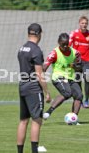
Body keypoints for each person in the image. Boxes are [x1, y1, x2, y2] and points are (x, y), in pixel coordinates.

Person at [17, 23, 51, 153]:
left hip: (22, 86)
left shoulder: (21, 49)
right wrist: (47, 92)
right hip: (33, 88)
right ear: (39, 34)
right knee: (37, 120)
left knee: (23, 121)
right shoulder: (36, 50)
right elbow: (39, 74)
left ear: (29, 33)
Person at [42, 33, 83, 124]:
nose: (65, 46)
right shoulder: (54, 53)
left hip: (70, 78)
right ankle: (49, 112)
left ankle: (73, 119)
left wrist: (75, 66)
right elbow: (44, 66)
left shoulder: (75, 53)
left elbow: (80, 67)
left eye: (66, 44)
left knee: (79, 95)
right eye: (62, 44)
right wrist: (41, 68)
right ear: (58, 43)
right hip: (58, 77)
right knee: (67, 93)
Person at [69, 15, 89, 108]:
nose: (84, 25)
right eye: (82, 23)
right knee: (77, 81)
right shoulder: (73, 33)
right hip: (77, 61)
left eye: (86, 23)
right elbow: (69, 47)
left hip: (87, 61)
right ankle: (80, 99)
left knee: (86, 78)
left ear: (88, 24)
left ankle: (86, 100)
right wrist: (70, 60)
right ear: (79, 24)